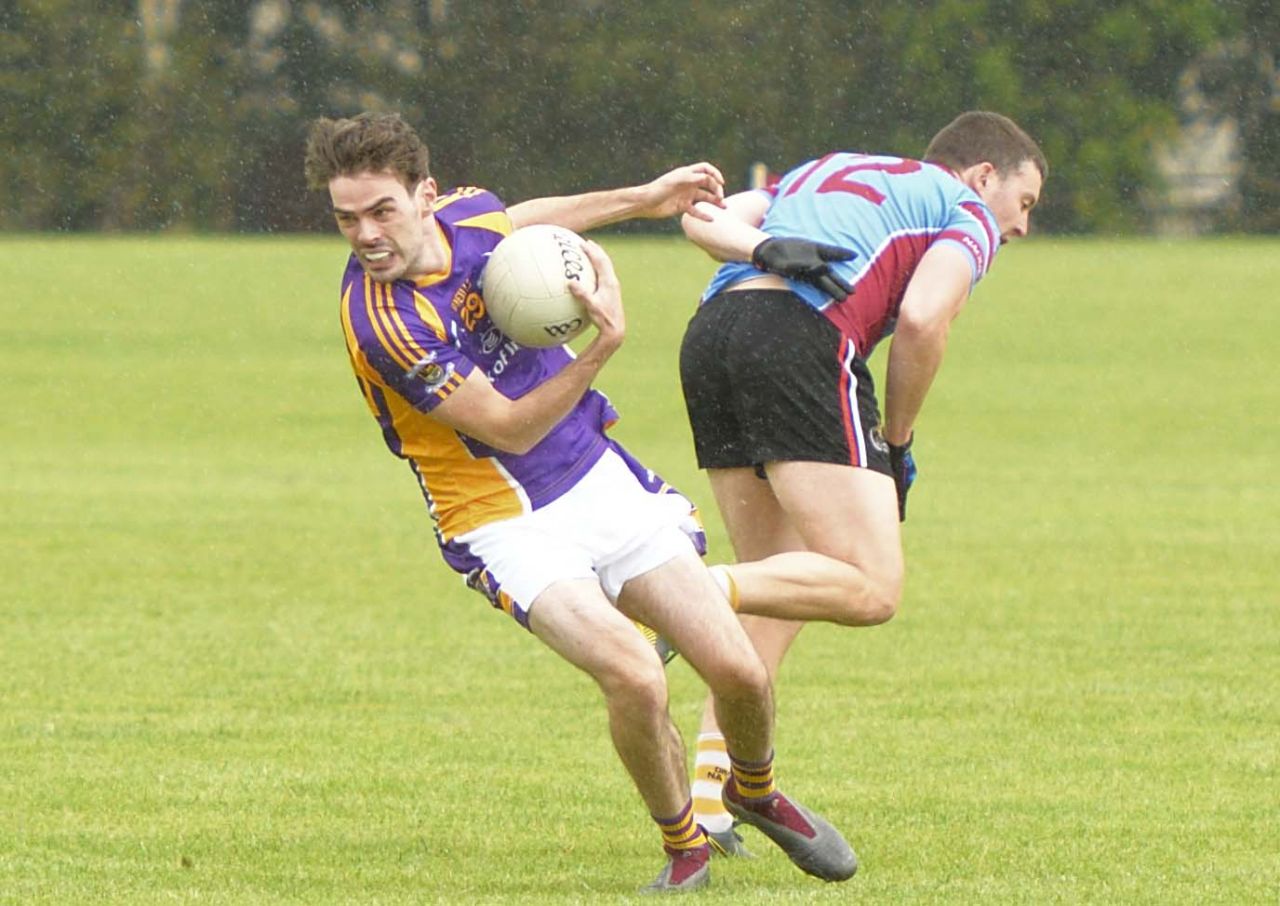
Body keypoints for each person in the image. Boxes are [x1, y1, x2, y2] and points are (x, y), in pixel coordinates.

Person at [301, 112, 857, 893]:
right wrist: (602, 345)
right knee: (635, 674)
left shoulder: (464, 213)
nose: (364, 234)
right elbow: (509, 429)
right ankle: (684, 846)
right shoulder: (385, 322)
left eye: (381, 210)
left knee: (739, 669)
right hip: (501, 520)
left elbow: (518, 219)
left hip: (594, 478)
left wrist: (648, 196)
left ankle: (753, 790)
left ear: (426, 196)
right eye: (346, 218)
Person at [676, 111, 1047, 839]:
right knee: (872, 586)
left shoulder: (823, 167)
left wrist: (762, 247)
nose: (1022, 227)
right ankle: (682, 589)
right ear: (982, 176)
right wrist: (896, 438)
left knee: (781, 583)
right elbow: (920, 321)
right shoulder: (963, 209)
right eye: (1025, 202)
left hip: (711, 336)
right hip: (798, 338)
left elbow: (702, 217)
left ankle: (714, 800)